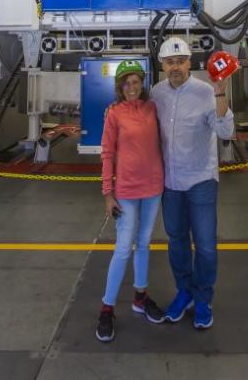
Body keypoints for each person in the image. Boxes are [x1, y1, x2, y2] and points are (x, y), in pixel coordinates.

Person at [150, 38, 237, 330]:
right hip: (170, 182)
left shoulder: (204, 91)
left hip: (201, 179)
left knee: (206, 245)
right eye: (170, 62)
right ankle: (184, 291)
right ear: (162, 65)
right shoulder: (155, 94)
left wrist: (221, 94)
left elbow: (226, 130)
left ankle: (203, 298)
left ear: (190, 62)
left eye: (181, 61)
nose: (175, 67)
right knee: (176, 242)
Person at [96, 59, 166, 343]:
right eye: (127, 83)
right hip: (126, 190)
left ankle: (140, 297)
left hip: (153, 188)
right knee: (124, 248)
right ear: (120, 87)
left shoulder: (153, 108)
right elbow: (107, 154)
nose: (132, 88)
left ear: (142, 84)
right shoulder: (114, 113)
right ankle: (106, 308)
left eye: (136, 82)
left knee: (145, 243)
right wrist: (107, 193)